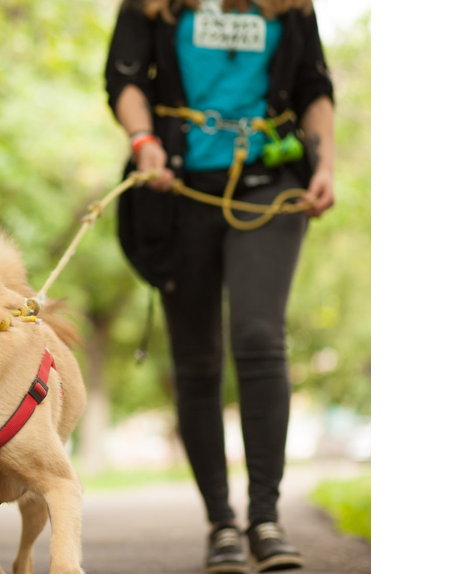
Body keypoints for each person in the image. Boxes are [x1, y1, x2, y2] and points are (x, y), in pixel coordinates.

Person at [104, 0, 335, 572]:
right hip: (177, 188)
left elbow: (314, 86)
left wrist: (324, 164)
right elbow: (124, 79)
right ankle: (222, 525)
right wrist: (143, 141)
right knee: (197, 360)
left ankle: (265, 518)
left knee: (259, 337)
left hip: (270, 183)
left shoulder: (291, 7)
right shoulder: (152, 6)